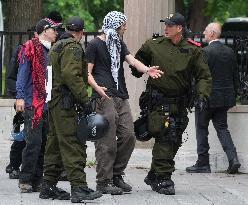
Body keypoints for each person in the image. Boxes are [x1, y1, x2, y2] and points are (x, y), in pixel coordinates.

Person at [133, 13, 212, 195]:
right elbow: (137, 61)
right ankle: (163, 178)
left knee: (174, 140)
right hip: (159, 102)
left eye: (170, 25)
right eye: (165, 24)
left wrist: (202, 95)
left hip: (180, 104)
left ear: (180, 28)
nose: (166, 28)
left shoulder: (193, 50)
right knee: (165, 137)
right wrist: (139, 69)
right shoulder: (153, 44)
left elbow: (203, 76)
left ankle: (154, 174)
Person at [86, 11, 163, 195]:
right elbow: (87, 72)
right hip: (104, 96)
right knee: (107, 141)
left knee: (129, 135)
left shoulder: (118, 43)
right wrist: (97, 89)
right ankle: (103, 181)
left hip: (121, 95)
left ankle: (116, 175)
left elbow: (132, 60)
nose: (125, 28)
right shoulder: (95, 44)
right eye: (123, 25)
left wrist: (147, 70)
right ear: (115, 25)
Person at [39, 16, 102, 202]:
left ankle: (48, 186)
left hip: (55, 103)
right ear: (81, 33)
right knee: (72, 144)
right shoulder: (73, 46)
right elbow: (70, 75)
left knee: (55, 144)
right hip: (66, 104)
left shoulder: (56, 46)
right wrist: (85, 100)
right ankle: (79, 188)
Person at [186, 22, 241, 174]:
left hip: (207, 99)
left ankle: (203, 163)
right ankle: (233, 159)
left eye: (205, 31)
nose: (203, 33)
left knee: (202, 129)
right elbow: (236, 77)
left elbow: (198, 77)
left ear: (211, 33)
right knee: (223, 129)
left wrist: (194, 95)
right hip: (224, 99)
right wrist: (235, 95)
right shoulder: (230, 52)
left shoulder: (205, 52)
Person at [16, 18, 59, 193]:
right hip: (33, 102)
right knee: (33, 142)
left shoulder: (53, 50)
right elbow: (22, 73)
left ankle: (38, 179)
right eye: (53, 30)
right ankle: (25, 179)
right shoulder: (30, 47)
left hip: (48, 103)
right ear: (44, 31)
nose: (56, 32)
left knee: (44, 144)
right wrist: (20, 97)